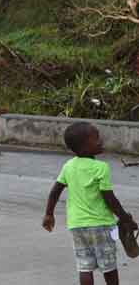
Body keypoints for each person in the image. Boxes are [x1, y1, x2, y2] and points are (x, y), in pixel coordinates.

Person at [42, 122, 138, 285]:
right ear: (83, 147)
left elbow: (55, 191)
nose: (101, 141)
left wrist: (49, 214)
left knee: (85, 266)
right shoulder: (100, 167)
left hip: (77, 225)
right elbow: (110, 199)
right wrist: (125, 218)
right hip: (101, 225)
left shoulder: (69, 166)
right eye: (96, 139)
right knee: (108, 265)